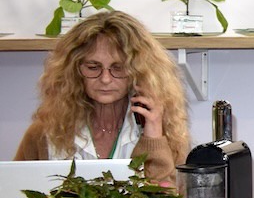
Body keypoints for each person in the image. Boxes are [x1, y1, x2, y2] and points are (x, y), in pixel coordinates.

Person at [15, 10, 190, 183]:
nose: (105, 79)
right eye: (93, 67)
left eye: (118, 68)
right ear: (74, 71)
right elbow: (15, 194)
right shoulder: (46, 131)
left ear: (139, 72)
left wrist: (153, 138)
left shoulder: (168, 132)